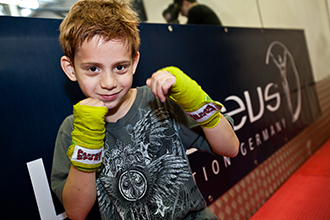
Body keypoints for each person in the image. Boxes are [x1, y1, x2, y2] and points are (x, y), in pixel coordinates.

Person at [51, 0, 239, 219]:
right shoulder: (72, 128)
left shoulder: (158, 100)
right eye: (93, 69)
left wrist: (196, 101)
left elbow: (231, 148)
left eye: (120, 67)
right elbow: (76, 212)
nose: (109, 82)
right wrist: (87, 145)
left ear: (134, 62)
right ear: (70, 69)